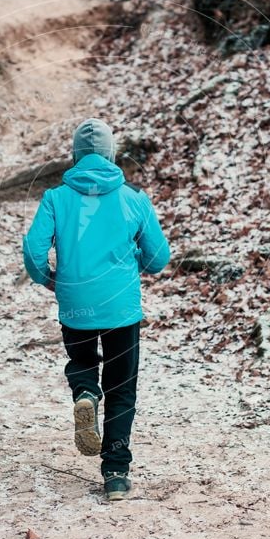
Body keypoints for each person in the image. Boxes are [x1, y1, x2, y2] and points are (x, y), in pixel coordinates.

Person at [22, 118, 170, 500]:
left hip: (75, 301)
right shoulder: (133, 199)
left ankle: (85, 393)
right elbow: (159, 258)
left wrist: (49, 279)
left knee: (83, 360)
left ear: (76, 157)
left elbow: (33, 251)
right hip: (120, 305)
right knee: (122, 387)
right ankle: (116, 471)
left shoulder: (56, 198)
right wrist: (136, 259)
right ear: (111, 155)